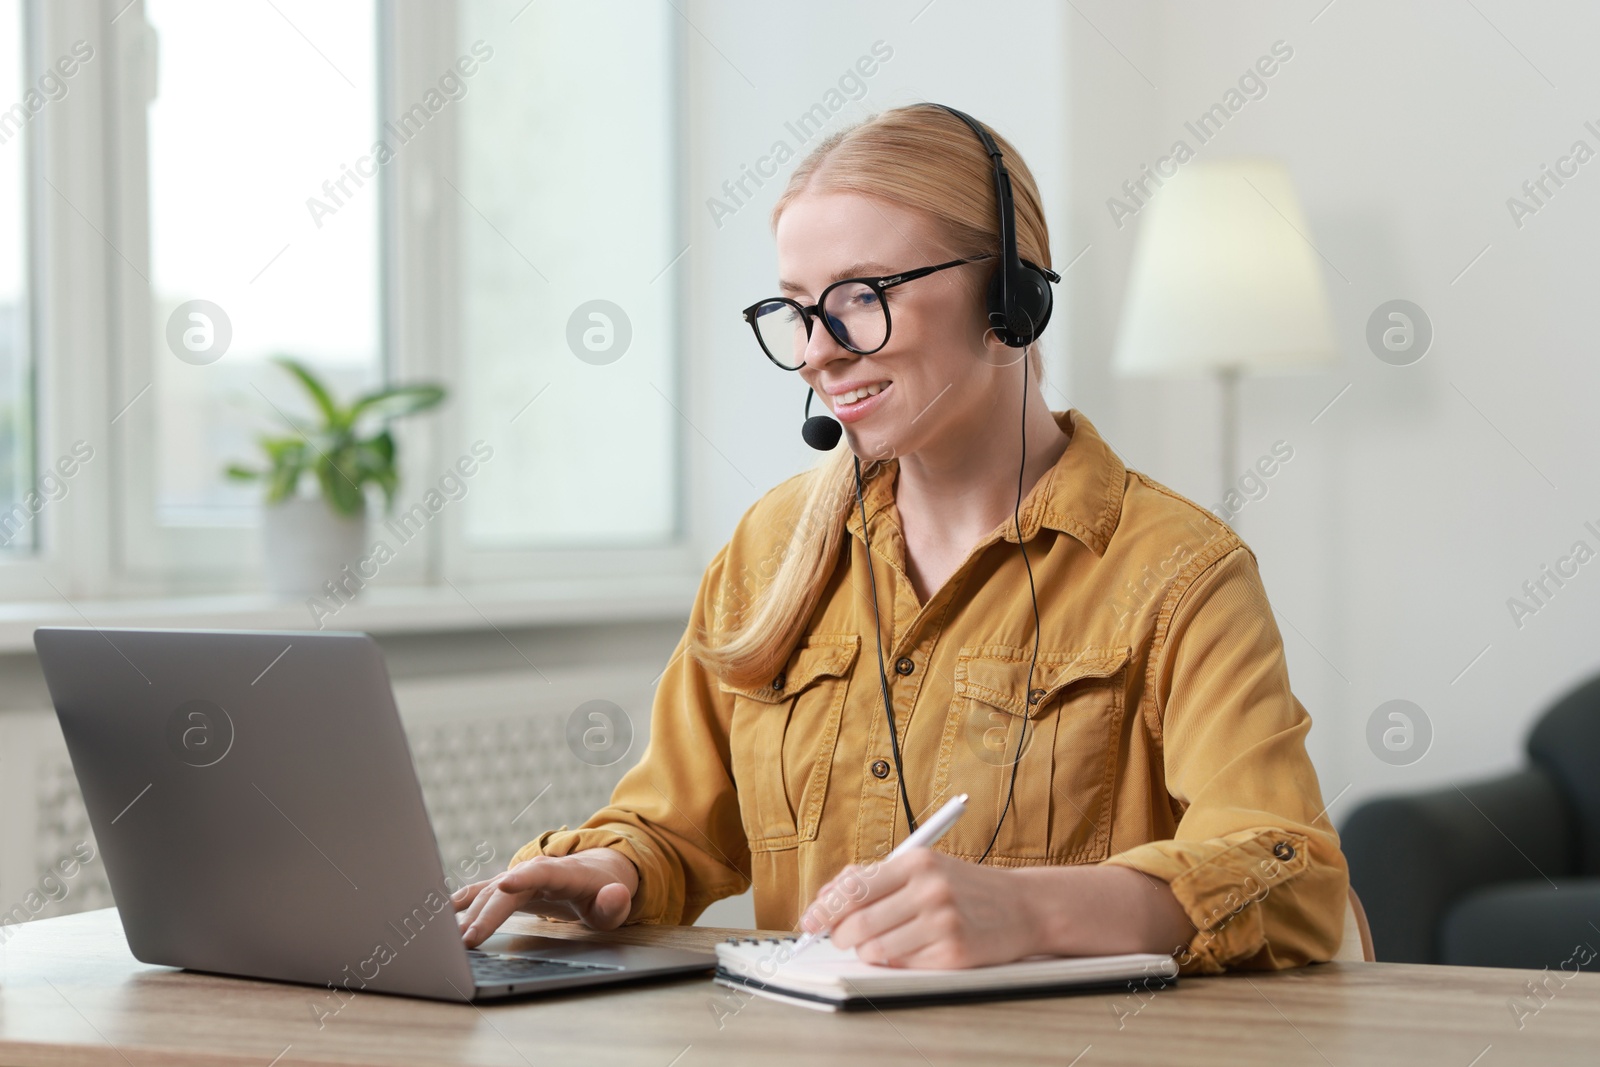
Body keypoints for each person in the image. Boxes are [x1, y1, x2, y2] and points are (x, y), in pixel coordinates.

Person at [453, 103, 1348, 972]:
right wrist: (608, 870)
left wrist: (1031, 911)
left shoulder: (1177, 572)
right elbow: (672, 827)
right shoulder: (771, 549)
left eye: (861, 296)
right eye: (800, 307)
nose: (817, 351)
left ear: (1010, 297)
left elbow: (1291, 878)